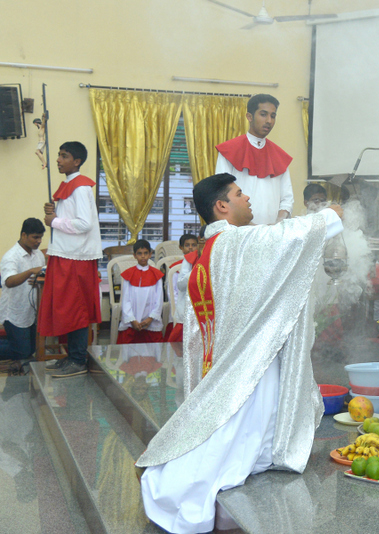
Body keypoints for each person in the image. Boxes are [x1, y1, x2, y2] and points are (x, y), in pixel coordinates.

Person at [136, 173, 343, 534]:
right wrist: (329, 216)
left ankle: (260, 455)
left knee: (243, 427)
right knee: (231, 436)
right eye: (239, 193)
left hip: (230, 357)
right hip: (248, 360)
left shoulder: (210, 251)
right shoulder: (236, 242)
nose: (247, 198)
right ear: (222, 205)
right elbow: (286, 237)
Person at [41, 142, 103, 378]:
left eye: (64, 156)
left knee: (76, 309)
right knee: (67, 309)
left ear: (76, 161)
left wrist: (55, 221)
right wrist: (53, 214)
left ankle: (78, 359)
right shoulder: (69, 185)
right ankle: (71, 356)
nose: (58, 159)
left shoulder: (80, 187)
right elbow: (70, 219)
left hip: (76, 257)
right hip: (66, 254)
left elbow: (84, 224)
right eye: (59, 155)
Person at [215, 94, 293, 225]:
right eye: (263, 114)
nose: (269, 120)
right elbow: (222, 195)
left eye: (273, 116)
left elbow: (287, 199)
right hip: (239, 230)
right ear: (249, 117)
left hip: (272, 232)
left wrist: (277, 225)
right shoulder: (229, 151)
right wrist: (250, 227)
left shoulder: (280, 156)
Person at [0, 218, 46, 363]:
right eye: (35, 237)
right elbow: (9, 282)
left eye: (40, 237)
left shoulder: (38, 254)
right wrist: (30, 271)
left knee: (31, 349)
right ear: (24, 235)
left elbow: (40, 276)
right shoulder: (11, 256)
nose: (39, 241)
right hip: (14, 313)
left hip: (31, 311)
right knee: (22, 351)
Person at [117, 240, 164, 345]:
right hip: (133, 321)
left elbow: (159, 300)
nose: (143, 256)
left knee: (153, 351)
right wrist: (132, 320)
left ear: (150, 254)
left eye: (145, 253)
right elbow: (125, 300)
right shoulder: (129, 274)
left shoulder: (156, 275)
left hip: (150, 320)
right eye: (139, 253)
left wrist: (150, 318)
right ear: (134, 255)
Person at [167, 228, 206, 344]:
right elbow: (180, 285)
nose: (191, 248)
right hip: (187, 308)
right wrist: (197, 269)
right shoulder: (189, 259)